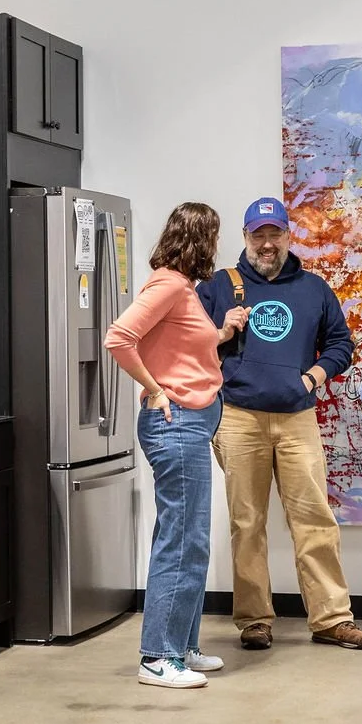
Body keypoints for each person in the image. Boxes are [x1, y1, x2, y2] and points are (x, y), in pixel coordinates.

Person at [196, 197, 362, 652]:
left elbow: (340, 343)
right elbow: (187, 345)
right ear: (246, 238)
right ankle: (254, 620)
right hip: (237, 417)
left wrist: (312, 377)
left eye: (275, 234)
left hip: (297, 418)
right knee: (247, 522)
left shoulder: (313, 289)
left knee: (314, 517)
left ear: (289, 237)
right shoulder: (218, 287)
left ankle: (332, 618)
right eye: (259, 235)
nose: (267, 244)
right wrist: (222, 331)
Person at [104, 202, 244, 690]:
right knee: (181, 539)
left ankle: (181, 645)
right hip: (176, 422)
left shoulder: (183, 288)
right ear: (200, 239)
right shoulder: (168, 283)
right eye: (214, 237)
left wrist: (222, 334)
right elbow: (118, 338)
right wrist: (157, 389)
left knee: (192, 537)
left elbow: (183, 349)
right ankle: (157, 657)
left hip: (191, 420)